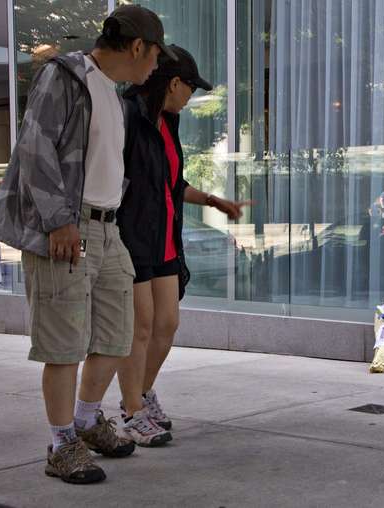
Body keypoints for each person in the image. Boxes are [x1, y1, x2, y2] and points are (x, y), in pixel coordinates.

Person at [0, 5, 176, 484]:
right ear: (137, 47)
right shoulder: (64, 76)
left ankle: (88, 421)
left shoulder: (112, 93)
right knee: (64, 342)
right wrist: (57, 221)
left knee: (117, 334)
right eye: (155, 55)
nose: (157, 67)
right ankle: (61, 441)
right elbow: (34, 148)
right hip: (68, 228)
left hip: (109, 229)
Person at [115, 45, 249, 445]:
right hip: (132, 235)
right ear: (174, 83)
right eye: (191, 88)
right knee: (138, 328)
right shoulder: (128, 116)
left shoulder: (167, 123)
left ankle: (142, 392)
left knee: (167, 324)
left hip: (165, 237)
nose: (192, 98)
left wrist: (213, 200)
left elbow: (173, 183)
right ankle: (132, 411)